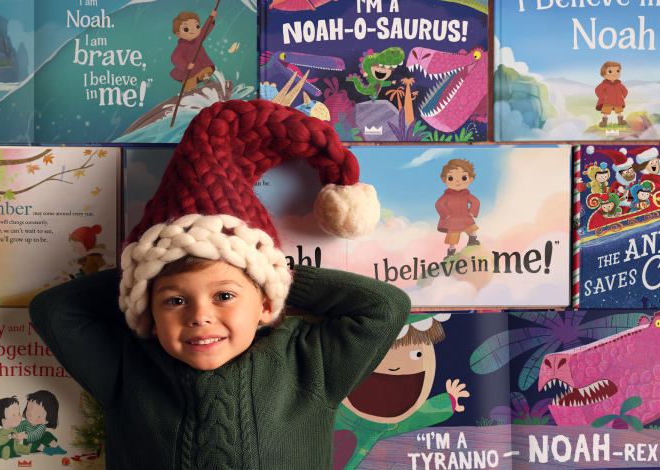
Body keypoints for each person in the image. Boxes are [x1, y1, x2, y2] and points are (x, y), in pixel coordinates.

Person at [29, 100, 411, 469]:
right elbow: (55, 311)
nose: (200, 316)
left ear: (265, 304)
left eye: (224, 295)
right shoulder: (126, 365)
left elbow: (384, 307)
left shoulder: (308, 361)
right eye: (175, 301)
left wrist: (274, 274)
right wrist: (144, 271)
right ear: (148, 308)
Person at [333, 314, 469, 470]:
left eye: (416, 355)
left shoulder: (383, 426)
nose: (394, 367)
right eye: (381, 356)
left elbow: (417, 417)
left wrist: (448, 401)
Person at [435, 158, 481, 260]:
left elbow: (476, 202)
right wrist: (446, 214)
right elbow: (439, 204)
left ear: (470, 179)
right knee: (453, 239)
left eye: (463, 178)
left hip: (465, 219)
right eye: (451, 178)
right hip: (452, 222)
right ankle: (451, 253)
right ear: (444, 180)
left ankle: (472, 240)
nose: (457, 181)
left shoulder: (466, 195)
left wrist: (472, 212)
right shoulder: (446, 196)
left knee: (473, 229)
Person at [170, 10, 217, 91]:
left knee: (206, 70)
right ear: (178, 34)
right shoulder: (182, 46)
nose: (193, 31)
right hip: (189, 70)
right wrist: (186, 65)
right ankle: (189, 92)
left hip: (201, 65)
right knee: (189, 81)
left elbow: (205, 30)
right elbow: (175, 57)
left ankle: (207, 82)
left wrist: (211, 19)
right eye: (186, 29)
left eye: (196, 26)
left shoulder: (198, 39)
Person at [0, 396, 32, 460]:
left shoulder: (13, 430)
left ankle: (26, 449)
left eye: (18, 413)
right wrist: (7, 437)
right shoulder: (2, 431)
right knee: (6, 448)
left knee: (17, 447)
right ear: (4, 421)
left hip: (13, 446)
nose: (18, 417)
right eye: (13, 415)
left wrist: (16, 436)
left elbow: (16, 441)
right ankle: (5, 454)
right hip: (2, 447)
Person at [595, 61, 628, 128]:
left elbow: (625, 90)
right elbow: (598, 90)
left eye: (617, 71)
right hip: (607, 101)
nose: (614, 74)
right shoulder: (604, 84)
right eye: (610, 72)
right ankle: (604, 122)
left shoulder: (619, 84)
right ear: (604, 75)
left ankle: (620, 121)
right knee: (606, 111)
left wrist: (623, 95)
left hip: (618, 101)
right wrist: (603, 96)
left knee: (619, 110)